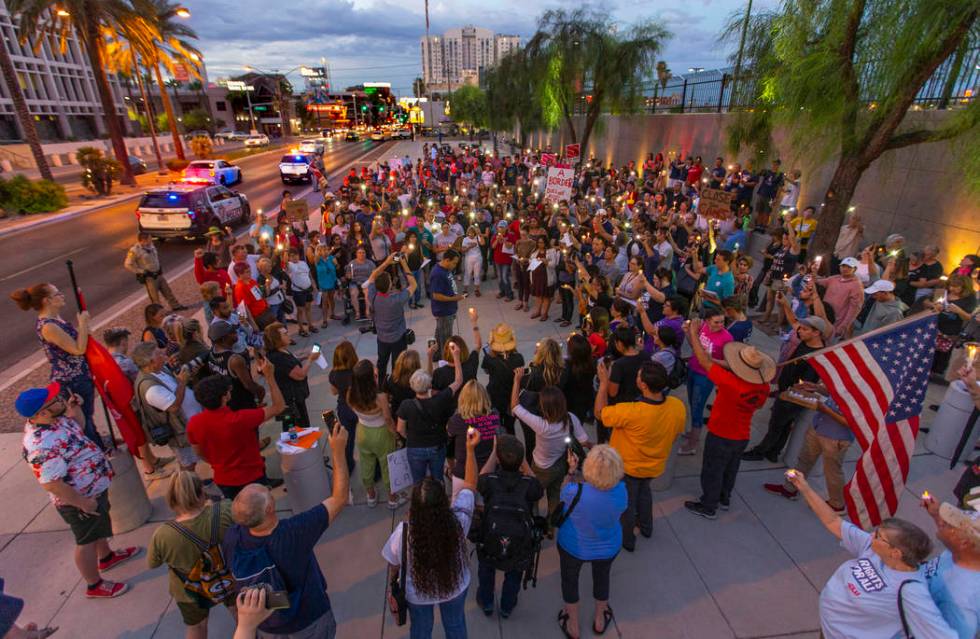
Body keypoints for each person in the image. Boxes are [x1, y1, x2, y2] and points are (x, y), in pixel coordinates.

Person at [784, 471, 957, 638]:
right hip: (829, 630)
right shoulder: (872, 547)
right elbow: (833, 521)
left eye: (879, 536)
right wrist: (804, 487)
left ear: (896, 553)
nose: (872, 535)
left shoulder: (912, 591)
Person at [223, 422, 349, 639]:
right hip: (308, 619)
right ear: (270, 509)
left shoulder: (233, 537)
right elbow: (339, 498)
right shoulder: (294, 533)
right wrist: (337, 451)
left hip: (267, 623)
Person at [17, 382, 138, 599]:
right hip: (80, 500)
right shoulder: (40, 445)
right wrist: (82, 502)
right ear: (42, 412)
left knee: (98, 528)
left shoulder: (57, 420)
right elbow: (51, 483)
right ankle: (94, 585)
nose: (61, 399)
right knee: (86, 542)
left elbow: (78, 430)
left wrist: (76, 409)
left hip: (94, 488)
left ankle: (107, 556)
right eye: (55, 400)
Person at [381, 428, 481, 639]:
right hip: (454, 586)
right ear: (444, 503)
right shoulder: (459, 520)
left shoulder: (404, 532)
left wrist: (393, 582)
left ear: (414, 507)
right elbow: (470, 484)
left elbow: (394, 563)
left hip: (418, 594)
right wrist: (470, 450)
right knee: (455, 625)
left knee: (421, 630)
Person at [684, 319, 774, 519]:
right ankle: (724, 498)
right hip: (741, 435)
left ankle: (708, 505)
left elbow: (704, 362)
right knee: (730, 469)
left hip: (720, 433)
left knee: (712, 470)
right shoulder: (763, 387)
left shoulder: (731, 382)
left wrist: (692, 333)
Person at [595, 360, 686, 552]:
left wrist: (603, 385)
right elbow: (676, 433)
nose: (636, 377)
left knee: (627, 505)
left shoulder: (630, 411)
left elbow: (600, 413)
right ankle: (646, 527)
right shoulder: (677, 406)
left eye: (638, 375)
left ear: (643, 384)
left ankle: (627, 540)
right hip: (654, 466)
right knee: (645, 493)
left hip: (629, 468)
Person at [11, 283, 101, 448]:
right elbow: (77, 349)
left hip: (80, 374)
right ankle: (96, 450)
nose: (62, 295)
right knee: (83, 417)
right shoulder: (49, 326)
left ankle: (100, 443)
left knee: (88, 413)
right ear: (47, 300)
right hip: (72, 379)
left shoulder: (55, 319)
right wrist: (82, 324)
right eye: (57, 294)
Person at [148, 472, 236, 639]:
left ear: (171, 500)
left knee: (197, 626)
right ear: (202, 493)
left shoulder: (162, 535)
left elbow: (152, 563)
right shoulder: (225, 510)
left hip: (189, 591)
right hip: (228, 577)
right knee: (239, 611)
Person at [555, 445, 627, 639]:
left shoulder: (574, 492)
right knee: (602, 578)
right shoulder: (621, 491)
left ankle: (573, 624)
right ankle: (599, 619)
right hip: (608, 546)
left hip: (573, 546)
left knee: (570, 580)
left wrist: (571, 470)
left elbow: (562, 494)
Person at [186, 362, 286, 499]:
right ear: (224, 397)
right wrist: (270, 377)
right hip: (252, 477)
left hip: (223, 479)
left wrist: (219, 462)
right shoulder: (241, 419)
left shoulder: (193, 423)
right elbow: (279, 407)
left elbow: (199, 452)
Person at [742, 314, 828, 463]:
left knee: (776, 425)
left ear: (817, 333)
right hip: (785, 390)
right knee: (784, 425)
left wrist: (787, 393)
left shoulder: (816, 356)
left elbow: (806, 383)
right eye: (801, 328)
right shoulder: (806, 342)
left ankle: (760, 452)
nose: (799, 331)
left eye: (805, 329)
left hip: (792, 396)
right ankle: (773, 452)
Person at [474, 434, 543, 618]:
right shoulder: (528, 484)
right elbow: (538, 488)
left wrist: (493, 454)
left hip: (490, 537)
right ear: (521, 461)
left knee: (486, 570)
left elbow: (480, 478)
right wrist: (525, 464)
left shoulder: (490, 481)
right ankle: (507, 606)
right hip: (519, 542)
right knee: (514, 575)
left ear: (498, 459)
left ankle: (487, 602)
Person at [511, 370, 591, 526]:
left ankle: (534, 521)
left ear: (543, 407)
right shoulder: (570, 418)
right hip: (560, 465)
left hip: (541, 467)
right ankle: (551, 525)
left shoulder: (541, 426)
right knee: (554, 495)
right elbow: (583, 441)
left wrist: (516, 381)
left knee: (533, 495)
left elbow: (515, 406)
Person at [763, 388, 853, 513]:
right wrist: (817, 388)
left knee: (832, 471)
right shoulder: (845, 379)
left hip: (836, 437)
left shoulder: (864, 393)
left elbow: (851, 422)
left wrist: (825, 410)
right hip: (818, 426)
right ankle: (790, 488)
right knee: (803, 460)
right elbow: (835, 392)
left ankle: (837, 504)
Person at [397, 343, 464, 484]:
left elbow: (400, 429)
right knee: (437, 479)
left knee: (418, 481)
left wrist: (412, 437)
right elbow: (458, 381)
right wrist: (456, 357)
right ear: (429, 385)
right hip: (437, 446)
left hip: (415, 448)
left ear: (412, 385)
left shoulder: (406, 405)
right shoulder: (440, 400)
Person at [131, 342, 200, 472]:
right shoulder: (150, 388)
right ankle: (190, 490)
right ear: (151, 361)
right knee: (188, 465)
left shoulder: (159, 369)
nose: (163, 354)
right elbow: (174, 406)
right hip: (180, 433)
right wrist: (182, 382)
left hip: (190, 425)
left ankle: (195, 487)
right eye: (159, 354)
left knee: (193, 461)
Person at [920, 498, 980, 638]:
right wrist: (936, 514)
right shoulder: (963, 551)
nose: (942, 522)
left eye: (950, 524)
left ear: (964, 543)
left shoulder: (960, 603)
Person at [347, 359, 402, 509]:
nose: (377, 371)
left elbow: (353, 409)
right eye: (374, 372)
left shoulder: (350, 393)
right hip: (381, 434)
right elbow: (387, 419)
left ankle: (370, 495)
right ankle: (392, 498)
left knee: (366, 463)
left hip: (362, 432)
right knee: (387, 465)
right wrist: (396, 435)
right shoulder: (380, 397)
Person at [680, 309, 733, 456]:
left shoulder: (727, 338)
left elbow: (729, 363)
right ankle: (692, 433)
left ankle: (692, 445)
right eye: (717, 322)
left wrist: (711, 360)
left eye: (722, 322)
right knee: (692, 403)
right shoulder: (702, 327)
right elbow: (694, 346)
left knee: (697, 408)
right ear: (707, 320)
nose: (720, 325)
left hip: (705, 376)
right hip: (693, 369)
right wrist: (688, 332)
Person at [446, 380, 502, 499]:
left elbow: (449, 433)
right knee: (484, 508)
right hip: (487, 472)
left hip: (463, 473)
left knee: (459, 510)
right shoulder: (494, 415)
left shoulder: (457, 420)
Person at [367, 251, 417, 377]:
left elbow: (373, 275)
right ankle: (395, 385)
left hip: (382, 338)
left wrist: (387, 261)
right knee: (398, 364)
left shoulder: (373, 296)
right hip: (398, 338)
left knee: (382, 363)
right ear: (390, 285)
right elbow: (413, 284)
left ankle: (381, 384)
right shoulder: (397, 300)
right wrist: (403, 263)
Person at [263, 322, 317, 430]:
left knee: (295, 429)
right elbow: (300, 375)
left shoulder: (280, 351)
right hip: (292, 402)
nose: (289, 335)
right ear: (276, 339)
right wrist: (311, 359)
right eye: (285, 334)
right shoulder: (279, 358)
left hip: (292, 399)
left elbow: (291, 362)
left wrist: (304, 357)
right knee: (298, 431)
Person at [124, 232, 188, 311]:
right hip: (149, 277)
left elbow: (155, 258)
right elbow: (128, 264)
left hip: (158, 274)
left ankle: (176, 306)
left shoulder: (151, 246)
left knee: (167, 291)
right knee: (155, 297)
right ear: (144, 240)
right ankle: (159, 312)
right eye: (149, 238)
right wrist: (140, 271)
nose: (151, 239)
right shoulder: (135, 250)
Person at [482, 324, 524, 436]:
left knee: (496, 425)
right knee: (510, 426)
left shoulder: (489, 358)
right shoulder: (519, 358)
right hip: (512, 397)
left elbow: (486, 371)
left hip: (495, 396)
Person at [328, 341, 358, 476]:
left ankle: (349, 466)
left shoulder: (333, 374)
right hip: (359, 407)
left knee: (348, 439)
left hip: (344, 410)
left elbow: (334, 392)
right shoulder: (357, 372)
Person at [817, 256, 865, 338]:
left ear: (855, 269)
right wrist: (814, 271)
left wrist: (842, 327)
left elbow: (854, 310)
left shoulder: (857, 286)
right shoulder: (835, 278)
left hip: (836, 322)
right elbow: (818, 281)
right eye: (843, 266)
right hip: (823, 316)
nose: (845, 269)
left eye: (849, 267)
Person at [430, 249, 464, 353]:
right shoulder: (437, 274)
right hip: (444, 312)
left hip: (448, 309)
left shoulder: (445, 268)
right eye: (454, 263)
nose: (455, 265)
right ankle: (444, 360)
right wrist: (455, 298)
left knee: (440, 334)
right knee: (446, 339)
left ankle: (435, 354)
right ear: (447, 260)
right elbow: (436, 295)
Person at [233, 263, 277, 329]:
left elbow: (259, 294)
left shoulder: (252, 281)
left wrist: (265, 303)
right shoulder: (240, 288)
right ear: (239, 274)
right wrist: (253, 324)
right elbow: (244, 308)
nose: (250, 273)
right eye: (247, 272)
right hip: (258, 316)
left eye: (250, 271)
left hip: (265, 310)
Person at [285, 248, 316, 337]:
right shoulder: (289, 265)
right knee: (300, 310)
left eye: (296, 255)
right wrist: (285, 251)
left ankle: (310, 325)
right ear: (289, 257)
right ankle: (301, 329)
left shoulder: (303, 263)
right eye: (292, 256)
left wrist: (313, 285)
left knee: (308, 308)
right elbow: (285, 262)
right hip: (298, 291)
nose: (295, 257)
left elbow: (309, 275)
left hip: (308, 289)